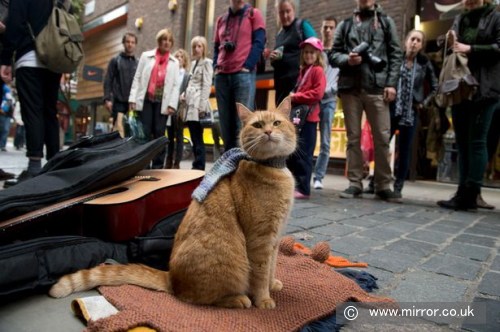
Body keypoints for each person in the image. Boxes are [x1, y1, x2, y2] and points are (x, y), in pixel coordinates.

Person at [330, 0, 403, 201]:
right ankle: (355, 183)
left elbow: (396, 54)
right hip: (350, 88)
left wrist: (391, 84)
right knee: (353, 139)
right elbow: (333, 55)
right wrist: (347, 60)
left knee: (382, 137)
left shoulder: (386, 22)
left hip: (378, 88)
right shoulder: (345, 24)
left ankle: (382, 184)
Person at [437, 0, 500, 211]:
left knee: (477, 141)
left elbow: (498, 47)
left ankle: (472, 193)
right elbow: (448, 47)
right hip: (461, 87)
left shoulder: (495, 15)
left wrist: (470, 48)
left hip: (485, 88)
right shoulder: (460, 18)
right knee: (462, 141)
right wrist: (447, 40)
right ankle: (461, 191)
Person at [365, 30, 438, 200]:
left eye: (418, 40)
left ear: (422, 45)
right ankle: (374, 183)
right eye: (412, 39)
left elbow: (435, 87)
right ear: (406, 42)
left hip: (411, 113)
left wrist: (423, 102)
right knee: (382, 146)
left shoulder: (424, 63)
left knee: (405, 151)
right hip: (392, 110)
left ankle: (398, 187)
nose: (414, 43)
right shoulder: (396, 59)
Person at [1, 0, 63, 186]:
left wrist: (5, 58)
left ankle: (34, 166)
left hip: (29, 56)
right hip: (54, 58)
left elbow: (15, 24)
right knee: (49, 111)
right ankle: (55, 165)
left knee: (33, 111)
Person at [213, 0, 265, 151]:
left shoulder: (253, 14)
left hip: (242, 75)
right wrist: (215, 66)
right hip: (221, 76)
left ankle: (242, 164)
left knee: (242, 122)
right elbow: (216, 46)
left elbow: (259, 42)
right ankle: (229, 164)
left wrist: (247, 66)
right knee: (225, 123)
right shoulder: (221, 20)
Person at [129, 28, 180, 169]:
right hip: (145, 101)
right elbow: (138, 77)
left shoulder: (174, 62)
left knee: (159, 135)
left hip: (162, 104)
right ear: (159, 41)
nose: (167, 43)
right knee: (144, 133)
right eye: (164, 39)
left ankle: (157, 166)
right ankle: (143, 165)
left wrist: (172, 105)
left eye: (169, 40)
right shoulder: (146, 56)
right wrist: (132, 99)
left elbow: (176, 85)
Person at [288, 37, 326, 199]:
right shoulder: (304, 70)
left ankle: (304, 188)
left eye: (312, 52)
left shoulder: (317, 71)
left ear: (317, 54)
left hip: (309, 119)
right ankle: (296, 185)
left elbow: (318, 93)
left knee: (304, 154)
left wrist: (296, 96)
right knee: (296, 153)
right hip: (301, 118)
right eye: (306, 53)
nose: (309, 55)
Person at [270, 0, 317, 106]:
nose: (285, 15)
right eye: (281, 12)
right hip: (281, 87)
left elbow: (316, 48)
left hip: (298, 86)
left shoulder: (302, 26)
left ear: (294, 11)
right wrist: (273, 59)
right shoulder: (280, 34)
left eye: (288, 11)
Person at [313, 16, 339, 190]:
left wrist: (330, 90)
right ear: (321, 29)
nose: (328, 30)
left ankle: (319, 177)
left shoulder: (339, 52)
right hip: (314, 100)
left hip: (329, 100)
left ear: (335, 30)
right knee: (307, 138)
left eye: (331, 27)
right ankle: (304, 173)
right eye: (325, 27)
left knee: (326, 141)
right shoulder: (316, 51)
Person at [182, 36, 213, 170]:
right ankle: (197, 163)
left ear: (204, 48)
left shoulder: (207, 63)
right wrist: (183, 95)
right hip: (190, 104)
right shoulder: (193, 64)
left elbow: (206, 85)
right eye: (195, 46)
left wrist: (202, 107)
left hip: (198, 105)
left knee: (198, 137)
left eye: (199, 46)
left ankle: (199, 166)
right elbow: (190, 83)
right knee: (194, 136)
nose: (196, 49)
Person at [103, 32, 138, 137]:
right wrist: (107, 99)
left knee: (132, 131)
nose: (130, 44)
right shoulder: (115, 60)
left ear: (135, 44)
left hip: (133, 104)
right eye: (128, 41)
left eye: (132, 42)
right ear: (123, 43)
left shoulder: (138, 63)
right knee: (118, 132)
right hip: (118, 103)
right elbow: (108, 80)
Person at [169, 48, 190, 169]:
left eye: (181, 57)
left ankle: (177, 162)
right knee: (170, 136)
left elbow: (188, 90)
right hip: (169, 109)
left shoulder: (187, 75)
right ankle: (169, 159)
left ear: (184, 60)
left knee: (179, 136)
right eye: (177, 56)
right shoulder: (170, 74)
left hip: (181, 109)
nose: (179, 58)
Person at [0, 81, 12, 151]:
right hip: (3, 112)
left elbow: (9, 101)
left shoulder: (8, 89)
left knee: (5, 129)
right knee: (4, 129)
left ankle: (2, 145)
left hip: (7, 113)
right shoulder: (5, 88)